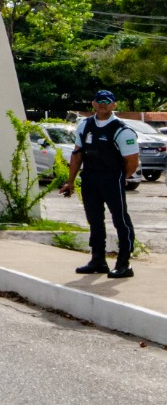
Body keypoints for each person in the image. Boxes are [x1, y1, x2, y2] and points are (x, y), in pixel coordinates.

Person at [60, 89, 138, 279]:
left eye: (107, 101)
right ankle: (98, 260)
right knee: (94, 220)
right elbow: (77, 153)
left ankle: (124, 263)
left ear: (114, 105)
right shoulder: (85, 125)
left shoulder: (121, 129)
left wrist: (120, 177)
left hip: (111, 179)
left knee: (120, 220)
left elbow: (132, 161)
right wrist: (70, 181)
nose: (103, 104)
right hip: (90, 179)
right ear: (93, 104)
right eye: (99, 100)